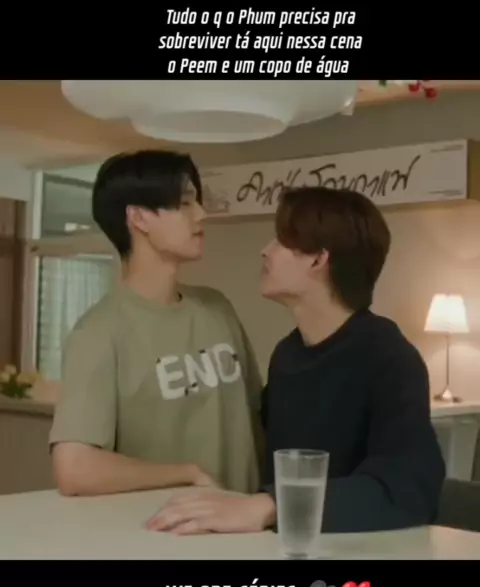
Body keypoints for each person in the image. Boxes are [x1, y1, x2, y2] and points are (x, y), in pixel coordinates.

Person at [146, 186, 446, 535]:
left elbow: (406, 489)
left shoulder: (389, 357)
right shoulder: (288, 354)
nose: (265, 251)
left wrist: (270, 506)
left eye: (282, 241)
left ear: (319, 260)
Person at [49, 150, 263, 497]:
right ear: (139, 218)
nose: (201, 214)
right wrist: (186, 474)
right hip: (162, 529)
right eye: (185, 203)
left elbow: (260, 418)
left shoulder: (217, 308)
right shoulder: (99, 332)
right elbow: (75, 468)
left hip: (251, 525)